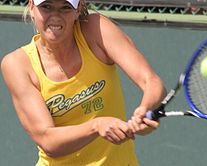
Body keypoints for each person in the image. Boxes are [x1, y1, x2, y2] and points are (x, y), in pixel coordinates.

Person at [1, 0, 167, 165]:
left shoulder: (96, 29)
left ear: (78, 9)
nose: (55, 16)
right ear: (32, 7)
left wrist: (145, 111)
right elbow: (47, 140)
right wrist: (97, 126)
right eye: (46, 6)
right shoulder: (17, 64)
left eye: (65, 8)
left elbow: (151, 81)